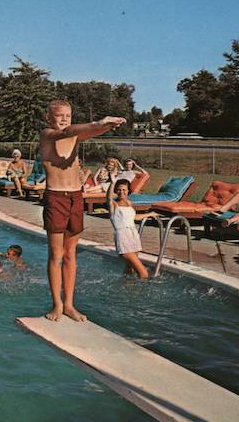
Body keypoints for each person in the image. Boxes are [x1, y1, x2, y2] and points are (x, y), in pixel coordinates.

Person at [39, 99, 126, 321]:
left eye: (68, 115)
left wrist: (107, 126)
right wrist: (100, 121)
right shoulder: (47, 134)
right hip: (56, 197)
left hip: (76, 196)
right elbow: (69, 131)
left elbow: (86, 131)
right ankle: (56, 304)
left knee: (71, 254)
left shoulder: (74, 135)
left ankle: (69, 304)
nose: (64, 120)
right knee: (56, 254)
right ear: (48, 118)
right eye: (59, 115)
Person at [107, 179, 159, 279]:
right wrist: (112, 182)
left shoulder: (129, 203)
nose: (121, 192)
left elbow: (133, 217)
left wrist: (150, 214)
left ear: (128, 191)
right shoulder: (113, 204)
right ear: (115, 191)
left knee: (129, 268)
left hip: (133, 235)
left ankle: (125, 289)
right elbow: (108, 198)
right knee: (144, 273)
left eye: (124, 190)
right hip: (122, 236)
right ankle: (141, 293)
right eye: (119, 190)